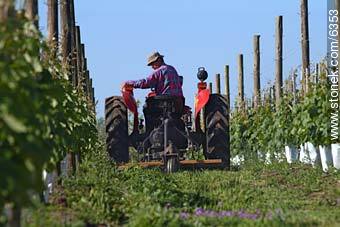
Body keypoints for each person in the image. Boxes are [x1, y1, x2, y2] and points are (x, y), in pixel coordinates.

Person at [122, 52, 184, 132]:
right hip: (177, 103)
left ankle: (149, 131)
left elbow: (145, 83)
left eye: (152, 64)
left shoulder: (158, 71)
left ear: (158, 60)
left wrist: (129, 83)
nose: (152, 67)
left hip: (163, 103)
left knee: (146, 108)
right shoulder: (172, 69)